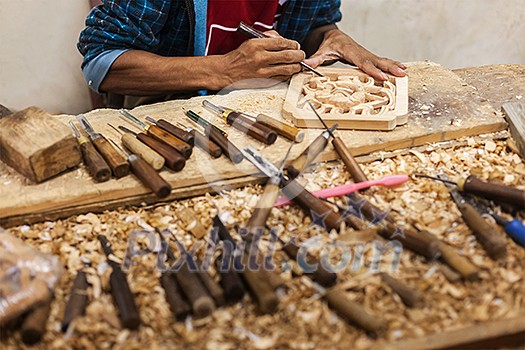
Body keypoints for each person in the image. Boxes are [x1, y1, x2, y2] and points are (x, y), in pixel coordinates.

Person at [78, 0, 406, 109]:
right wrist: (226, 69)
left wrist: (332, 36)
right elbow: (102, 61)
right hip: (172, 118)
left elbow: (315, 21)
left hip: (264, 115)